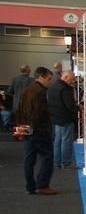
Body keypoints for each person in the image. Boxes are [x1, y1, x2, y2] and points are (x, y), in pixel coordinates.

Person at [17, 67, 57, 195]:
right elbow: (38, 113)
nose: (50, 81)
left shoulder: (26, 90)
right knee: (47, 157)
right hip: (39, 129)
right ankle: (42, 185)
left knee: (29, 159)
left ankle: (30, 186)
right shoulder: (40, 92)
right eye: (49, 79)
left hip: (26, 128)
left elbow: (19, 110)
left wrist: (21, 127)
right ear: (41, 78)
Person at [48, 71, 79, 169]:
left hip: (55, 117)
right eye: (72, 79)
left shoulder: (52, 86)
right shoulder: (66, 89)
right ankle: (66, 162)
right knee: (66, 141)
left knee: (57, 140)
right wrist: (79, 108)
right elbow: (70, 105)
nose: (73, 81)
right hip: (66, 118)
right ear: (65, 77)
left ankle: (57, 162)